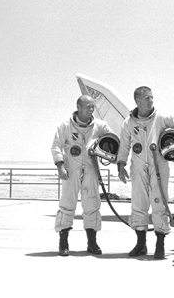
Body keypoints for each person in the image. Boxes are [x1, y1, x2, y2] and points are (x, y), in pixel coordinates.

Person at [117, 86, 174, 259]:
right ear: (137, 101)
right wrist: (120, 165)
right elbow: (124, 145)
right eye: (147, 98)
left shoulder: (161, 117)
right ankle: (141, 243)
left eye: (152, 97)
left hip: (158, 165)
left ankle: (160, 244)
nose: (151, 100)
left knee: (159, 203)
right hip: (138, 167)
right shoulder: (128, 123)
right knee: (138, 204)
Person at [51, 95, 115, 256]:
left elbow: (113, 141)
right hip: (71, 170)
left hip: (91, 169)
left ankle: (92, 242)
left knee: (92, 204)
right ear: (78, 107)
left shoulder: (100, 126)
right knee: (67, 204)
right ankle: (63, 242)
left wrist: (109, 152)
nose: (91, 109)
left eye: (93, 106)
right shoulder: (65, 126)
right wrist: (60, 166)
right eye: (88, 107)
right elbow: (56, 146)